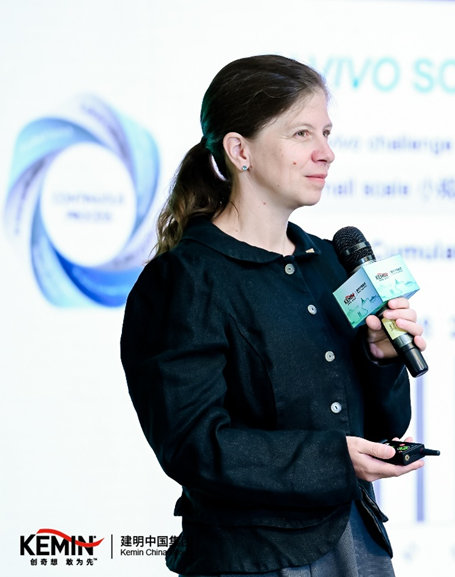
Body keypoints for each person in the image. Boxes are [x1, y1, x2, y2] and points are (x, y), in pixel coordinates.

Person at [120, 55, 426, 577]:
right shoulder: (184, 280)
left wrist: (382, 360)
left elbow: (382, 425)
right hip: (255, 558)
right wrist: (333, 459)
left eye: (326, 133)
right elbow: (193, 445)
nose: (325, 152)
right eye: (302, 133)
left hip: (358, 543)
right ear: (240, 150)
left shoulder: (332, 263)